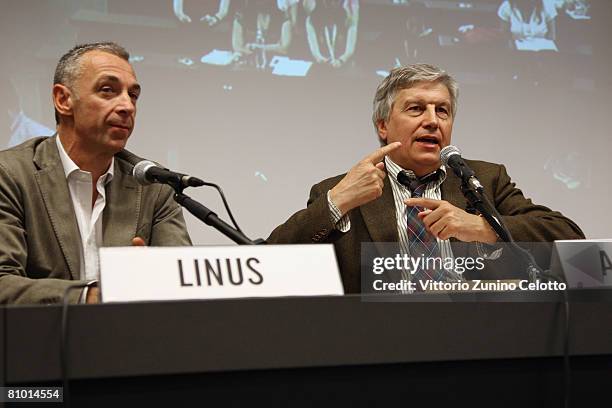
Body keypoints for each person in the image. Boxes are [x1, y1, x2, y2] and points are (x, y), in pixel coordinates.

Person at [267, 63, 584, 293]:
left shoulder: (484, 179)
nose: (432, 121)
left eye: (442, 111)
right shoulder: (342, 189)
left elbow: (569, 237)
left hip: (478, 337)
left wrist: (483, 227)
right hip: (380, 343)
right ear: (383, 125)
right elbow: (271, 263)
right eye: (416, 109)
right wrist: (336, 203)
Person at [0, 42, 192, 305]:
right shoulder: (10, 175)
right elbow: (3, 282)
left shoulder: (155, 186)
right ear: (63, 99)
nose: (127, 106)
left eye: (133, 95)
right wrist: (91, 295)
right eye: (107, 91)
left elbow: (183, 285)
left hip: (128, 341)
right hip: (34, 342)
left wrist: (155, 277)